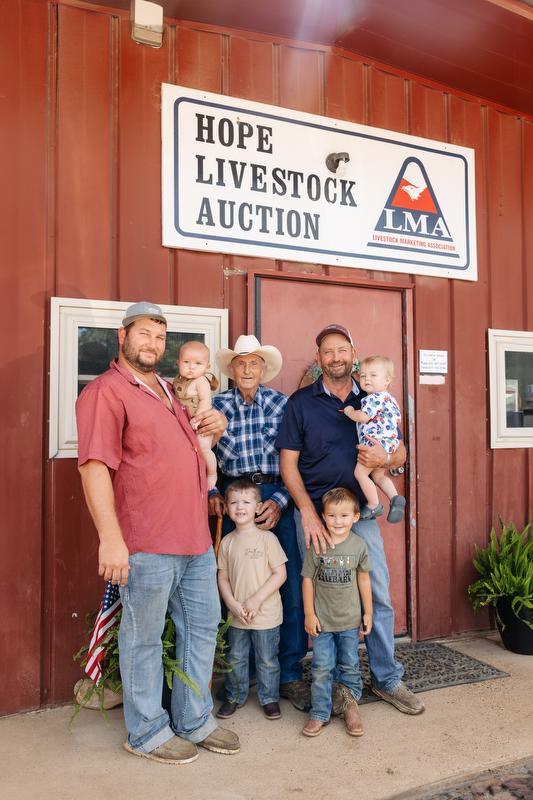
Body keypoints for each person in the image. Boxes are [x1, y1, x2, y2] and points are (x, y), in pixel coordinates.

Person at [76, 300, 239, 766]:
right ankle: (146, 730)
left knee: (203, 627)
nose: (153, 344)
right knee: (143, 636)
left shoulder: (171, 390)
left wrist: (219, 421)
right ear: (122, 336)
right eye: (145, 333)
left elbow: (199, 436)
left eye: (161, 336)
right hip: (144, 540)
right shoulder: (108, 391)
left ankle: (194, 719)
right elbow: (93, 468)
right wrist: (110, 538)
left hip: (193, 537)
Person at [277, 323, 425, 716]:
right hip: (313, 514)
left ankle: (386, 677)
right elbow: (287, 463)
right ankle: (293, 676)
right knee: (301, 591)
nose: (336, 357)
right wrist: (306, 511)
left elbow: (400, 450)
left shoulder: (373, 395)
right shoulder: (302, 402)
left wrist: (386, 460)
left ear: (353, 354)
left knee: (375, 589)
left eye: (343, 350)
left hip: (357, 515)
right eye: (328, 351)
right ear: (319, 358)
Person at [209, 334, 309, 711]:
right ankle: (242, 673)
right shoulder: (216, 406)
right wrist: (211, 493)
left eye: (254, 363)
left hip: (273, 499)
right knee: (232, 581)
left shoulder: (282, 405)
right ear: (231, 370)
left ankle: (287, 674)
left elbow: (297, 458)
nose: (247, 369)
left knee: (288, 586)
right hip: (233, 501)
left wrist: (281, 501)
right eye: (240, 363)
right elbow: (200, 455)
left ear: (263, 369)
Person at [301, 487, 372, 738]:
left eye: (343, 516)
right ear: (323, 516)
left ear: (355, 517)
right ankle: (320, 712)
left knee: (350, 665)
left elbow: (363, 580)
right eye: (331, 516)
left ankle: (350, 706)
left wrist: (368, 613)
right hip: (322, 622)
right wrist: (309, 614)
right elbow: (307, 580)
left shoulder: (358, 545)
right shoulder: (318, 545)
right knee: (322, 667)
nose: (337, 521)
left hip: (349, 621)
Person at [216, 478, 287, 721]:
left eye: (246, 501)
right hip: (237, 616)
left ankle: (269, 698)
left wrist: (256, 600)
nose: (240, 507)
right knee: (235, 657)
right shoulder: (227, 542)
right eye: (234, 502)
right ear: (226, 507)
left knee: (267, 659)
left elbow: (280, 574)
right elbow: (222, 577)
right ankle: (235, 695)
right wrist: (232, 604)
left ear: (257, 506)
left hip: (265, 615)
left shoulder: (268, 539)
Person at [342, 355, 406, 523]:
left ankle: (373, 504)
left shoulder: (373, 398)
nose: (367, 379)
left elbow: (363, 417)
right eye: (363, 376)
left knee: (360, 473)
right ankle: (394, 498)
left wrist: (349, 412)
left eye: (373, 375)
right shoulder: (390, 399)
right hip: (387, 443)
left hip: (373, 443)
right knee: (378, 476)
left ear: (387, 381)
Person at [173, 339, 219, 490]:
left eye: (198, 364)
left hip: (201, 423)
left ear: (207, 367)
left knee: (204, 448)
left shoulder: (201, 381)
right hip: (184, 422)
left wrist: (197, 419)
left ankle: (212, 474)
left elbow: (206, 401)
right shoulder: (178, 380)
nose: (191, 367)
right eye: (186, 362)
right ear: (178, 363)